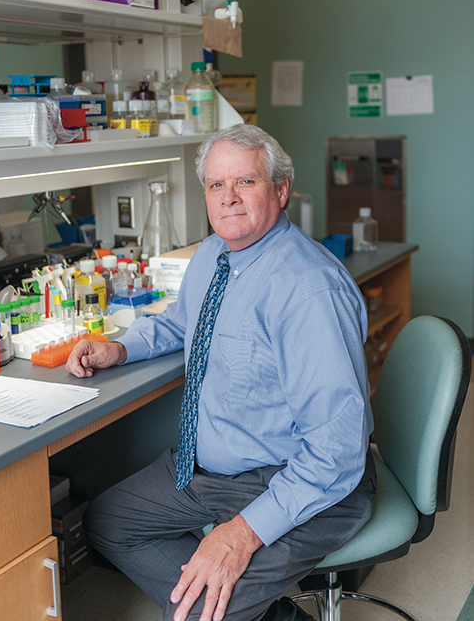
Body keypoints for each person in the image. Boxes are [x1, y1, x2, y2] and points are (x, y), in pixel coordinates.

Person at [67, 124, 376, 621]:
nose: (228, 198)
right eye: (216, 185)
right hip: (211, 469)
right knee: (108, 521)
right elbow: (181, 322)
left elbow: (336, 452)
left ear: (280, 190)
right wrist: (118, 350)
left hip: (303, 479)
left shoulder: (308, 290)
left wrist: (242, 533)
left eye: (245, 183)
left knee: (197, 613)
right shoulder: (213, 253)